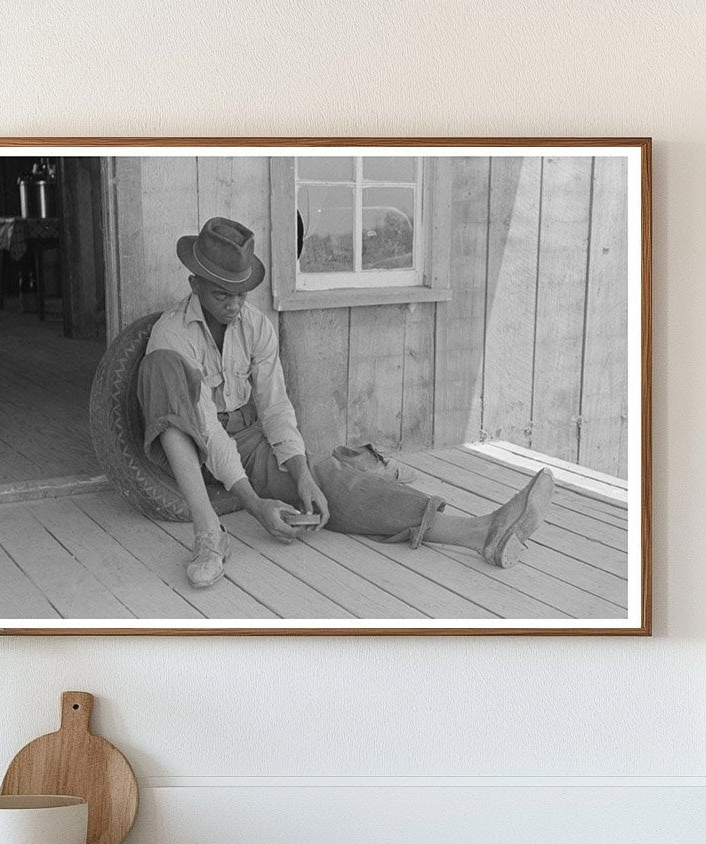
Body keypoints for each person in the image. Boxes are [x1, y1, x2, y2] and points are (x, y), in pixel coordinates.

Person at [137, 216, 554, 589]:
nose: (234, 304)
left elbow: (275, 408)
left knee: (327, 480)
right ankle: (210, 535)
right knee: (161, 368)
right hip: (193, 447)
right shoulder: (172, 335)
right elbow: (208, 430)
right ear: (194, 284)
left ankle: (479, 532)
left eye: (241, 293)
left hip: (248, 439)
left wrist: (300, 473)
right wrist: (254, 504)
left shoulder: (256, 327)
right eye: (221, 294)